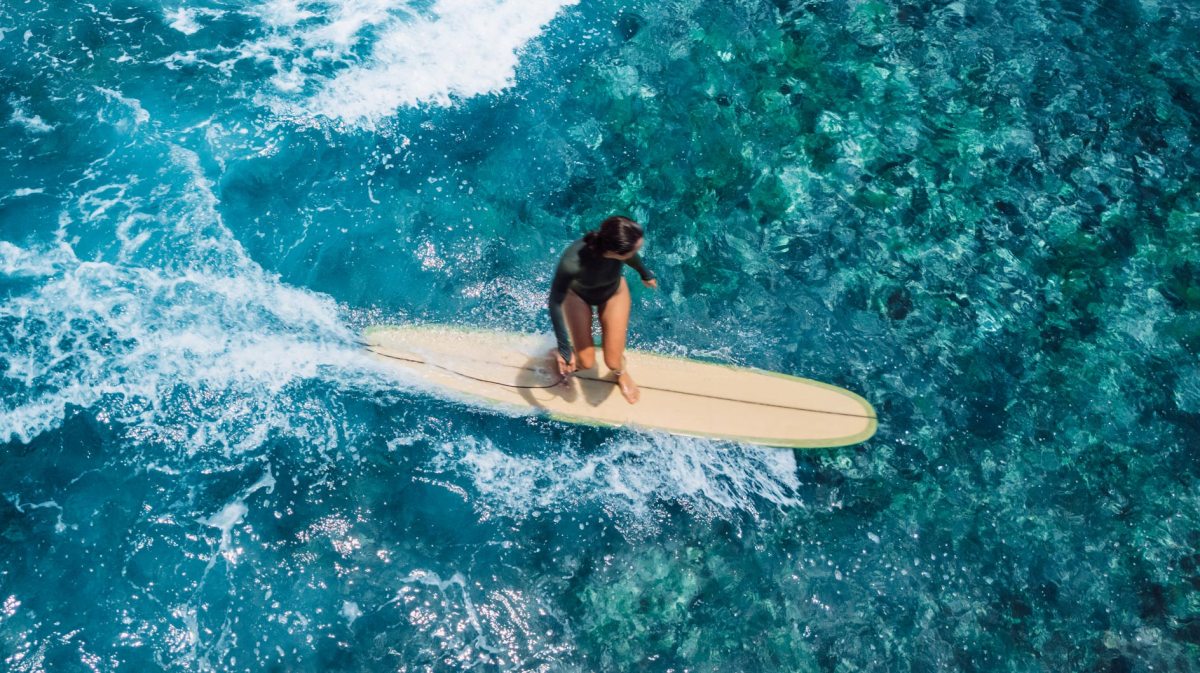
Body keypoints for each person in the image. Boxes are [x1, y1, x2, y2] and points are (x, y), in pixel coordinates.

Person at [547, 215, 657, 403]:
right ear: (616, 252)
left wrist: (645, 274)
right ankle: (559, 353)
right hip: (578, 297)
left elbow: (632, 257)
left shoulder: (618, 248)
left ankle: (621, 373)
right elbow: (555, 302)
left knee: (613, 362)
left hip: (614, 293)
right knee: (586, 362)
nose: (636, 252)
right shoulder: (572, 262)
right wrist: (565, 348)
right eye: (633, 250)